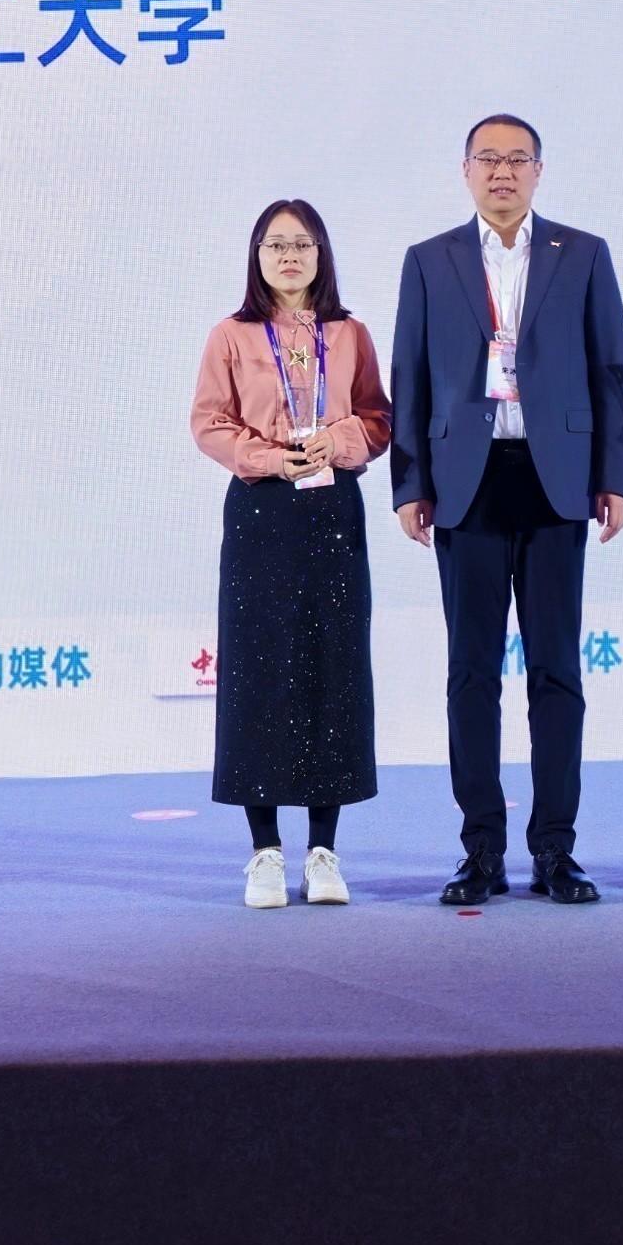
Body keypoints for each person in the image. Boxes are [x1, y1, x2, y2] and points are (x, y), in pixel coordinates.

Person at [389, 115, 623, 907]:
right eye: (488, 159)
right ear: (465, 170)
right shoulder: (429, 260)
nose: (503, 172)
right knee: (471, 673)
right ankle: (482, 849)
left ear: (539, 170)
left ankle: (556, 850)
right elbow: (409, 375)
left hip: (557, 479)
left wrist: (615, 476)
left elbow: (613, 370)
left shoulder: (583, 253)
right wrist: (409, 482)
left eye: (517, 159)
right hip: (466, 482)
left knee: (557, 671)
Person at [191, 200, 393, 910]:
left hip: (333, 507)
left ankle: (324, 850)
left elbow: (378, 418)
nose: (289, 256)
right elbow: (208, 421)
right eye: (275, 245)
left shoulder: (350, 332)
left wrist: (337, 441)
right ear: (257, 255)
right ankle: (265, 851)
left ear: (321, 254)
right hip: (262, 508)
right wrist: (271, 457)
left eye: (302, 244)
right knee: (261, 670)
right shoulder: (231, 334)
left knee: (331, 667)